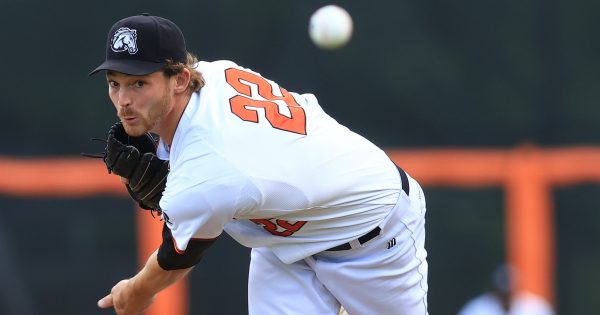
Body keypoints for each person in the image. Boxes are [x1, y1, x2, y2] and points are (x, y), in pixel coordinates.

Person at [90, 13, 429, 315]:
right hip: (282, 240)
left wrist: (132, 293)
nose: (124, 100)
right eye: (114, 84)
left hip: (371, 233)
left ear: (180, 78)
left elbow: (175, 260)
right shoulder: (216, 72)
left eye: (139, 83)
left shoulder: (209, 170)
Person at [457, 264, 555, 315]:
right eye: (503, 294)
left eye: (509, 293)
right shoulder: (478, 309)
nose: (506, 298)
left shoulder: (535, 308)